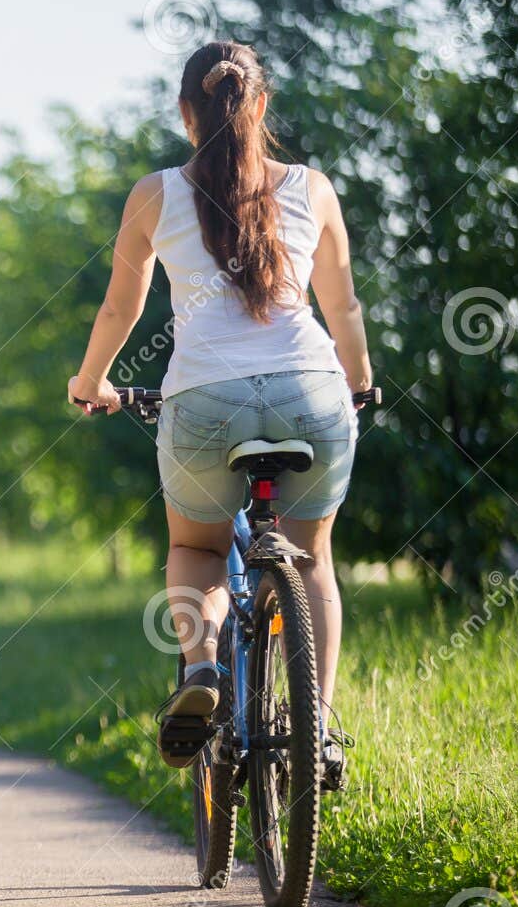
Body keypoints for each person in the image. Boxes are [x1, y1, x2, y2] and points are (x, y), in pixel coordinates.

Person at [67, 41, 374, 790]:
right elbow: (343, 306)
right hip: (312, 389)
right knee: (311, 562)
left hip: (204, 402)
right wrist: (360, 380)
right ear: (260, 106)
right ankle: (318, 730)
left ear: (184, 114)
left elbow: (120, 306)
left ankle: (201, 667)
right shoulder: (314, 188)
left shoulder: (153, 194)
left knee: (199, 552)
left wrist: (91, 381)